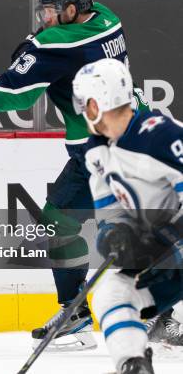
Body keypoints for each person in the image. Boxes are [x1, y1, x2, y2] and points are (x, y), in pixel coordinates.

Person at [0, 0, 149, 350]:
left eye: (50, 11)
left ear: (71, 8)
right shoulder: (107, 17)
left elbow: (17, 94)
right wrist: (36, 47)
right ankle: (76, 314)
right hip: (122, 138)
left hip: (108, 148)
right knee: (61, 222)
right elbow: (50, 51)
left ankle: (156, 316)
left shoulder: (59, 42)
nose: (44, 18)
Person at [73, 58, 183, 374]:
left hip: (172, 248)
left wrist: (166, 239)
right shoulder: (96, 151)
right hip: (167, 257)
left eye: (85, 102)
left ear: (101, 99)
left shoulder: (160, 135)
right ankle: (133, 364)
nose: (82, 110)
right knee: (111, 292)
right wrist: (116, 237)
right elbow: (111, 212)